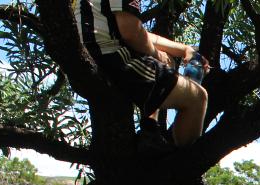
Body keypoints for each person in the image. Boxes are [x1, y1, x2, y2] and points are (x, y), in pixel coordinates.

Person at [75, 0, 208, 148]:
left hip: (94, 55)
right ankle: (184, 163)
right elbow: (131, 32)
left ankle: (150, 130)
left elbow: (135, 31)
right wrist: (157, 54)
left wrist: (184, 49)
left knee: (166, 61)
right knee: (197, 97)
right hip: (111, 58)